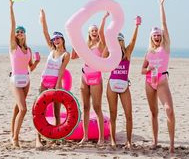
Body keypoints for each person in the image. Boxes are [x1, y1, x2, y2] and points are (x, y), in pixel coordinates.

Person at [101, 15, 141, 149]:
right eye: (115, 40)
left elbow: (134, 40)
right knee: (113, 114)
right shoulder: (111, 54)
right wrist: (108, 41)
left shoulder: (127, 53)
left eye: (119, 40)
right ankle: (113, 140)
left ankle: (128, 141)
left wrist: (137, 26)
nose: (117, 42)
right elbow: (102, 57)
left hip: (124, 85)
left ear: (122, 41)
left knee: (128, 114)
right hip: (111, 85)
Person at [141, 0, 175, 153]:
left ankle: (172, 144)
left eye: (159, 35)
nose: (157, 37)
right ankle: (154, 141)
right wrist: (147, 70)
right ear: (151, 37)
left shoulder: (165, 47)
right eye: (155, 35)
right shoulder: (148, 52)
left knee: (169, 110)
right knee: (153, 112)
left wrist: (161, 5)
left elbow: (164, 24)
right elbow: (142, 70)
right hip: (149, 82)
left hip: (161, 81)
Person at [71, 13, 109, 145]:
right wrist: (74, 40)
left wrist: (103, 19)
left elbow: (103, 34)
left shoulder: (100, 44)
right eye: (92, 30)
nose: (94, 32)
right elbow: (73, 56)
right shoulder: (85, 45)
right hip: (84, 76)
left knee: (97, 107)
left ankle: (101, 139)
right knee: (86, 107)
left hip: (96, 77)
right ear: (89, 33)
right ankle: (85, 136)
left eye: (96, 30)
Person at [36, 8, 70, 148]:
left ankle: (57, 136)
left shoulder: (66, 54)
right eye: (54, 39)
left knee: (57, 112)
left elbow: (61, 71)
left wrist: (57, 85)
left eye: (57, 38)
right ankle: (38, 138)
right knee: (39, 111)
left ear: (62, 39)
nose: (55, 40)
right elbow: (45, 32)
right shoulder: (51, 50)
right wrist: (43, 18)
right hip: (45, 81)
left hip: (56, 82)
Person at [9, 0, 40, 148]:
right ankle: (15, 138)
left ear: (25, 34)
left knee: (17, 107)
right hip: (15, 80)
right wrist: (11, 7)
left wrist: (37, 62)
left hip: (26, 80)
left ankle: (11, 132)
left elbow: (31, 68)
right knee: (23, 109)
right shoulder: (13, 46)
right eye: (18, 32)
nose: (19, 33)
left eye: (21, 31)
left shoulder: (28, 50)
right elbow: (12, 25)